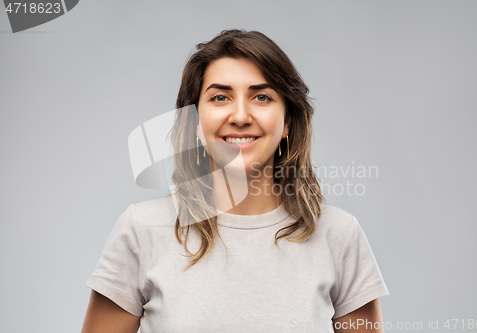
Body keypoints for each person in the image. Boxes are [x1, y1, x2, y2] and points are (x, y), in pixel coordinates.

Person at [81, 29, 389, 333]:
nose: (240, 115)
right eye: (219, 97)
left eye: (261, 97)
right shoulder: (142, 229)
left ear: (287, 122)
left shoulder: (339, 236)